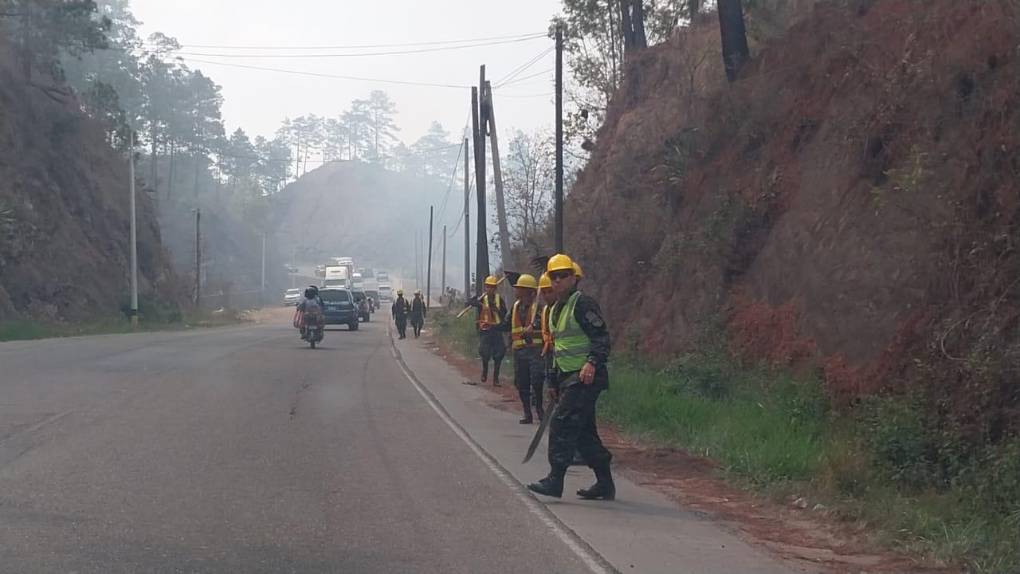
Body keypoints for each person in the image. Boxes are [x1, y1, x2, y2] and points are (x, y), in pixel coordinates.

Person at [527, 254, 615, 501]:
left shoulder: (583, 304)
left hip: (585, 378)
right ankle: (605, 484)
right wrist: (553, 382)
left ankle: (555, 480)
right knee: (585, 434)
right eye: (553, 277)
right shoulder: (555, 310)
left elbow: (601, 338)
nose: (557, 281)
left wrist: (592, 363)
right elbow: (557, 349)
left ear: (573, 278)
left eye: (562, 276)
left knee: (561, 423)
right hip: (567, 379)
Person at [510, 274, 544, 424]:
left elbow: (544, 322)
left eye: (520, 289)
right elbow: (506, 325)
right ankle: (527, 413)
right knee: (521, 383)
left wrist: (534, 325)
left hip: (535, 350)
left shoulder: (539, 308)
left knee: (537, 381)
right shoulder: (515, 307)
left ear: (528, 291)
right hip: (519, 351)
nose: (516, 291)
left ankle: (539, 409)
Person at [467, 275, 507, 386]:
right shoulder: (481, 299)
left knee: (499, 354)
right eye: (488, 287)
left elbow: (505, 314)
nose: (490, 289)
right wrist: (476, 303)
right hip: (485, 330)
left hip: (496, 329)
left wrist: (496, 309)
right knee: (485, 353)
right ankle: (484, 372)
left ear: (495, 288)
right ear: (485, 288)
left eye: (492, 287)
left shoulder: (499, 300)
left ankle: (496, 378)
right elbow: (469, 302)